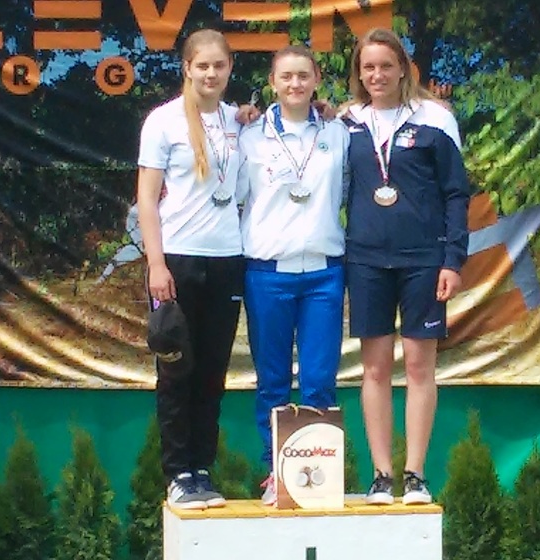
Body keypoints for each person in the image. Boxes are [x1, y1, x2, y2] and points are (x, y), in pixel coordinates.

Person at [341, 28, 470, 505]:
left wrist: (452, 259)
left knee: (419, 365)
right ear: (359, 73)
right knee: (374, 369)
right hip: (366, 260)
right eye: (368, 67)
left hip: (423, 260)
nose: (377, 75)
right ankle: (381, 474)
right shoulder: (346, 122)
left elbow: (456, 194)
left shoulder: (435, 119)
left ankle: (415, 474)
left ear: (403, 69)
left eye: (385, 66)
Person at [236, 45, 350, 506]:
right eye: (286, 76)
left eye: (303, 75)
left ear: (317, 78)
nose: (295, 84)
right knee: (273, 381)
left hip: (324, 273)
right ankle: (276, 473)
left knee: (320, 380)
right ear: (273, 82)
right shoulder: (249, 137)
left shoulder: (339, 133)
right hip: (268, 273)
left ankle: (316, 476)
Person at [136, 29, 244, 510]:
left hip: (227, 259)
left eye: (219, 65)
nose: (211, 74)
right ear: (187, 68)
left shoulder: (239, 120)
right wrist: (156, 264)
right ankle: (177, 472)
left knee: (213, 372)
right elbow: (146, 199)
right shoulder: (162, 122)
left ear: (230, 68)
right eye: (202, 66)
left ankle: (201, 468)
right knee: (177, 370)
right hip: (177, 259)